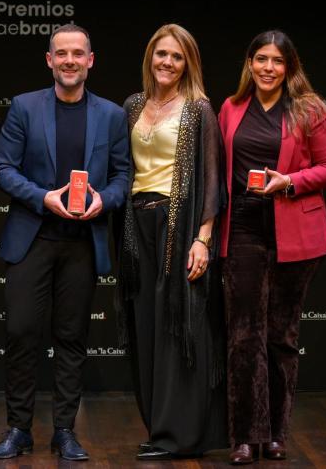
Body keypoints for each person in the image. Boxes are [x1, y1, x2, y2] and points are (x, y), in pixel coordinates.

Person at [0, 24, 130, 461]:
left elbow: (124, 176)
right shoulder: (24, 107)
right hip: (32, 237)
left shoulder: (112, 115)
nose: (70, 60)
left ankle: (65, 430)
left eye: (78, 53)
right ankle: (18, 429)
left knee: (71, 337)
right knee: (20, 332)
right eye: (61, 53)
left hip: (83, 242)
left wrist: (104, 200)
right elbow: (4, 168)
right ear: (49, 60)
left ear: (91, 60)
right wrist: (43, 197)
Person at [219, 30, 326, 465]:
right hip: (242, 231)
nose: (268, 68)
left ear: (289, 67)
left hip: (295, 235)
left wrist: (289, 181)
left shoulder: (310, 109)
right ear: (249, 63)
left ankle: (275, 434)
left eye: (277, 61)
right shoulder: (231, 108)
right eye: (261, 59)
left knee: (280, 337)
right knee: (243, 336)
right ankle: (244, 437)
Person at [114, 24, 227, 461]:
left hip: (179, 227)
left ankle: (180, 436)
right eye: (162, 54)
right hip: (135, 226)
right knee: (146, 326)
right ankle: (157, 428)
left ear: (188, 63)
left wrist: (203, 239)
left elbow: (213, 181)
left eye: (177, 56)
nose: (167, 62)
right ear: (150, 57)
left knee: (178, 327)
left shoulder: (199, 109)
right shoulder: (132, 105)